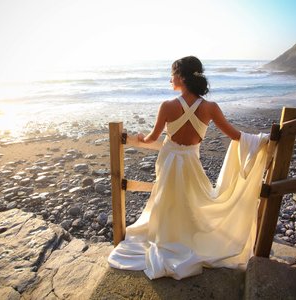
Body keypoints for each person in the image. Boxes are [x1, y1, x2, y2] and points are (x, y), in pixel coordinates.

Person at [108, 56, 270, 280]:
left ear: (182, 77)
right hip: (191, 162)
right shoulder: (211, 108)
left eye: (172, 74)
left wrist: (138, 138)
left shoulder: (167, 106)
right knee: (194, 199)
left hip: (169, 160)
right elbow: (236, 136)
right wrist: (262, 140)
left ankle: (168, 237)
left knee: (168, 199)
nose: (170, 79)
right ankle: (189, 237)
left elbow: (152, 137)